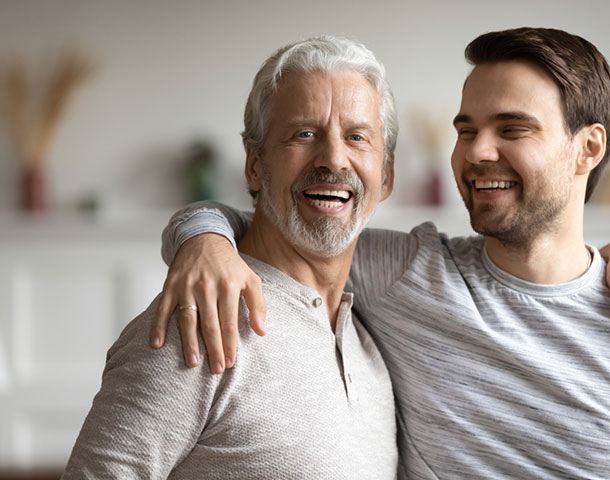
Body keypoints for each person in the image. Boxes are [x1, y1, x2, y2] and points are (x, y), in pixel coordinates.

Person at [156, 28, 610, 478]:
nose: (477, 152)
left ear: (587, 148)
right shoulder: (406, 272)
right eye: (466, 129)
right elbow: (277, 220)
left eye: (512, 128)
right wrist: (202, 241)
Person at [62, 36, 399, 479]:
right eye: (304, 134)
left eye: (357, 137)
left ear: (386, 175)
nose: (334, 158)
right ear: (254, 165)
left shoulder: (371, 347)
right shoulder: (198, 320)